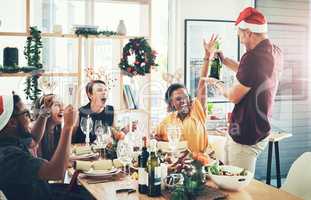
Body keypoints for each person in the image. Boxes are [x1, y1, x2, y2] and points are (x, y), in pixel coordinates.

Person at [208, 7, 283, 172]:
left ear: (249, 32)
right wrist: (224, 59)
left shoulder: (253, 58)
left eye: (240, 34)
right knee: (227, 175)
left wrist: (217, 84)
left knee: (237, 187)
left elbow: (234, 96)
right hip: (259, 129)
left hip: (246, 135)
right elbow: (251, 74)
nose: (240, 39)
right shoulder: (274, 51)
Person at [0, 94, 94, 200]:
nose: (30, 118)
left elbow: (34, 140)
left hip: (44, 191)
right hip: (43, 196)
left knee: (89, 193)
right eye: (26, 114)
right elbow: (56, 172)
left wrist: (45, 112)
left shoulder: (11, 139)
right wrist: (68, 127)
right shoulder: (8, 156)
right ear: (12, 122)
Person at [155, 35, 218, 154]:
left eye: (185, 97)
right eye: (178, 99)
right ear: (171, 103)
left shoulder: (197, 111)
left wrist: (207, 57)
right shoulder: (167, 121)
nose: (183, 101)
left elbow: (202, 84)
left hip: (201, 164)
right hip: (178, 165)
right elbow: (155, 137)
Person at [72, 80, 136, 158]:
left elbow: (115, 136)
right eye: (99, 90)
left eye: (105, 90)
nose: (104, 92)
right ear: (90, 95)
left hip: (104, 155)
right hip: (83, 156)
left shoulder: (111, 111)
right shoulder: (80, 112)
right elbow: (71, 138)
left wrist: (126, 129)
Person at [31, 94, 64, 160]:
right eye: (57, 105)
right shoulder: (37, 134)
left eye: (62, 104)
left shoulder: (57, 129)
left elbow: (62, 157)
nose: (62, 109)